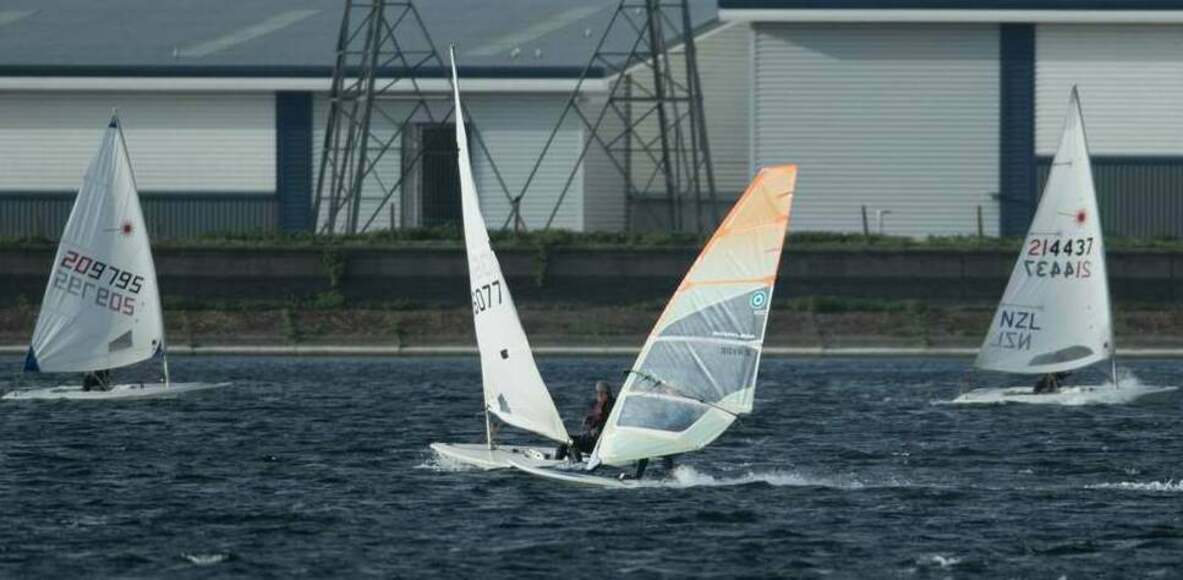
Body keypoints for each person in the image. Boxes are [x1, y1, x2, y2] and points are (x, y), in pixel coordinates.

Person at [555, 381, 615, 462]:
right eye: (597, 392)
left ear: (605, 394)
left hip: (596, 442)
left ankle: (576, 462)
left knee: (569, 441)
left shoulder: (607, 406)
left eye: (599, 393)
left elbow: (601, 422)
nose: (598, 395)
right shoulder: (608, 404)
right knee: (567, 441)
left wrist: (590, 423)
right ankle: (561, 460)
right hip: (596, 440)